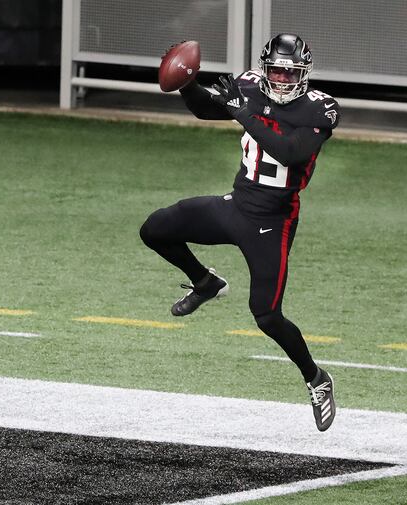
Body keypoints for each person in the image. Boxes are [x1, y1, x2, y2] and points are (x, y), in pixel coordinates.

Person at [140, 34, 339, 431]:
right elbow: (204, 110)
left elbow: (291, 151)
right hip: (236, 205)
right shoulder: (249, 85)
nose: (282, 80)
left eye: (290, 72)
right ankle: (205, 281)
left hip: (274, 221)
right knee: (155, 229)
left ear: (304, 75)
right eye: (276, 71)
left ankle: (316, 378)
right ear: (266, 69)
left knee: (266, 315)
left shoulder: (322, 108)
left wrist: (243, 112)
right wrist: (187, 83)